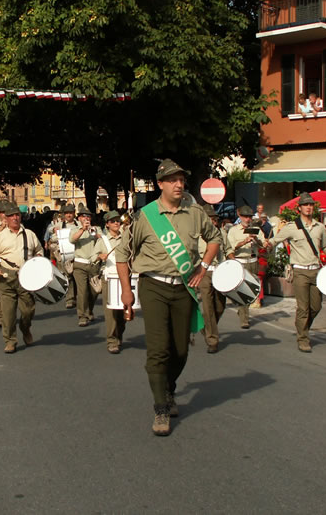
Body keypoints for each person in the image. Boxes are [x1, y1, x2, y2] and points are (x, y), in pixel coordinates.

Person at [116, 158, 221, 436]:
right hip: (153, 286)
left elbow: (215, 238)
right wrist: (127, 291)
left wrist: (205, 266)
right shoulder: (145, 216)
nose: (178, 184)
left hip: (183, 286)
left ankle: (168, 388)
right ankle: (161, 408)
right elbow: (122, 255)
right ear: (160, 184)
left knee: (181, 350)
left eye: (181, 179)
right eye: (172, 180)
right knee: (159, 349)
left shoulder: (195, 212)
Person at [266, 192, 326, 353]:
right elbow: (274, 241)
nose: (308, 207)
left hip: (316, 271)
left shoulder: (319, 227)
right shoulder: (291, 228)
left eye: (311, 205)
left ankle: (302, 326)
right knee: (303, 308)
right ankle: (303, 338)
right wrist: (265, 244)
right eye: (305, 205)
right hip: (299, 271)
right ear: (299, 208)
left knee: (316, 306)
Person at [0, 202, 43, 353]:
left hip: (26, 276)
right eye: (11, 216)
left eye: (17, 215)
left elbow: (39, 250)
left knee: (28, 310)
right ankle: (10, 341)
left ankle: (25, 328)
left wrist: (38, 258)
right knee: (8, 314)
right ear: (7, 218)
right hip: (6, 276)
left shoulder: (29, 234)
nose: (15, 218)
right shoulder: (0, 237)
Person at [197, 205, 233, 353]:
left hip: (220, 272)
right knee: (207, 305)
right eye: (210, 218)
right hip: (203, 272)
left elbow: (228, 249)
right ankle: (212, 340)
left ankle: (208, 327)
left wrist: (234, 264)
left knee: (220, 305)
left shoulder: (221, 233)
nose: (213, 221)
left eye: (214, 219)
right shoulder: (196, 234)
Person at [226, 206, 265, 330]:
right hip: (240, 261)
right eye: (245, 216)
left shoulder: (256, 229)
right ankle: (244, 318)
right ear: (239, 216)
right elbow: (230, 247)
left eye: (249, 217)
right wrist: (244, 241)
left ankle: (243, 310)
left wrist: (257, 240)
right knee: (243, 290)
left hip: (253, 261)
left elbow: (264, 244)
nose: (248, 219)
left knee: (252, 291)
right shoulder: (234, 230)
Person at [91, 210, 125, 353]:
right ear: (107, 224)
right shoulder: (102, 240)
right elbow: (92, 258)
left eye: (118, 220)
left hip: (124, 278)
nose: (116, 223)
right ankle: (112, 340)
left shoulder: (126, 238)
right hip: (109, 278)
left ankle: (119, 334)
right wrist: (100, 257)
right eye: (113, 221)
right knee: (110, 311)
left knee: (123, 312)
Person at [70, 203, 99, 327]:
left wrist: (94, 233)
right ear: (79, 218)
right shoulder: (75, 229)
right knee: (82, 291)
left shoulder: (96, 229)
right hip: (80, 264)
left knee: (94, 291)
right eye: (83, 216)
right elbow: (72, 240)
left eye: (88, 216)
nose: (86, 218)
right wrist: (83, 229)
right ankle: (82, 316)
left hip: (93, 264)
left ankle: (89, 310)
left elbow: (103, 240)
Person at [50, 203, 78, 309]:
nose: (69, 215)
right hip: (65, 255)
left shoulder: (78, 224)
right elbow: (52, 236)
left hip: (77, 253)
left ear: (74, 214)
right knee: (68, 277)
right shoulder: (60, 225)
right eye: (67, 213)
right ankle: (70, 299)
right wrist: (56, 233)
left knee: (77, 277)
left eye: (70, 213)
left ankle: (78, 296)